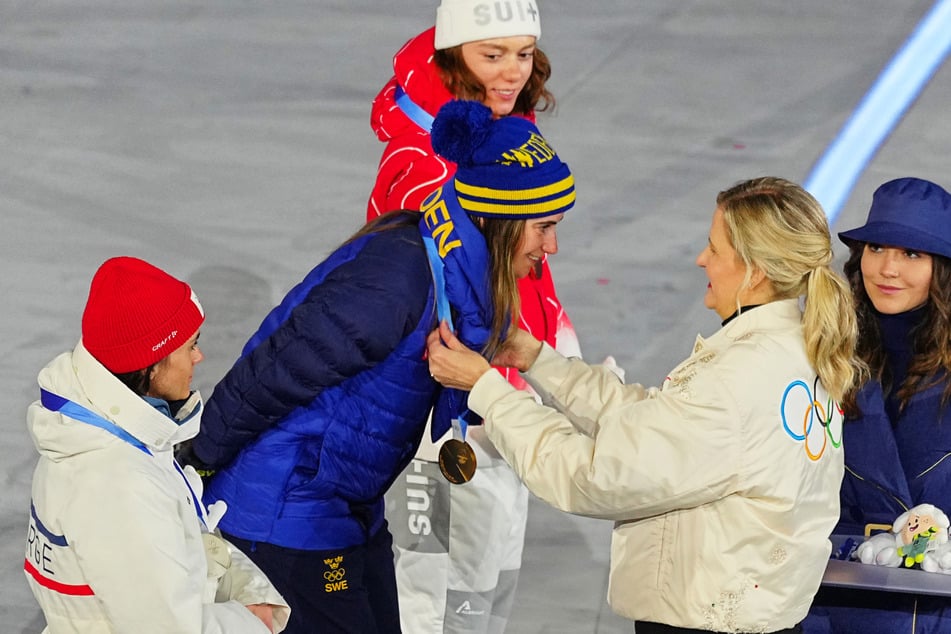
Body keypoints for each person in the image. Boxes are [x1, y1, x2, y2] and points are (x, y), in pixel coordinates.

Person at [178, 100, 576, 633]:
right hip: (287, 512)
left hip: (348, 508)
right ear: (497, 218)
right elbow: (273, 371)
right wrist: (200, 458)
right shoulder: (399, 278)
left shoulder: (456, 276)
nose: (553, 246)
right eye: (543, 227)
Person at [426, 176, 864, 634]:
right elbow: (654, 425)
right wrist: (536, 359)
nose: (701, 260)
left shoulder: (739, 379)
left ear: (754, 271)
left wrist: (488, 390)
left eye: (713, 249)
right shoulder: (798, 347)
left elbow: (594, 474)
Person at [367, 2, 580, 630]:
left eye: (522, 53)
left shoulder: (498, 125)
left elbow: (526, 265)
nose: (513, 72)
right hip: (434, 418)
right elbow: (426, 293)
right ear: (452, 54)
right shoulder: (420, 164)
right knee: (429, 596)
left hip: (495, 399)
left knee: (486, 595)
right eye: (494, 55)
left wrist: (547, 356)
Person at [23, 256, 290, 633]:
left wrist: (249, 591)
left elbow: (179, 549)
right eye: (189, 347)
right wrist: (250, 622)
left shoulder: (102, 435)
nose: (200, 357)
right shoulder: (118, 485)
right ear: (150, 363)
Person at [803, 177, 951, 633]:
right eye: (876, 248)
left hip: (937, 609)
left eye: (911, 254)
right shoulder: (825, 353)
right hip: (834, 599)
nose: (888, 269)